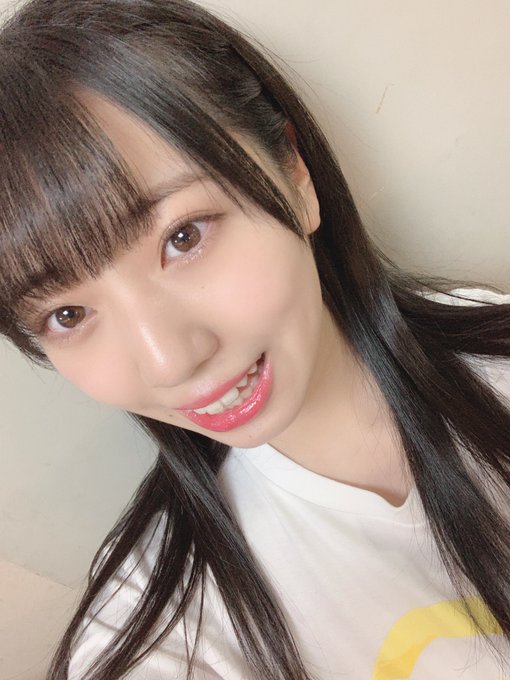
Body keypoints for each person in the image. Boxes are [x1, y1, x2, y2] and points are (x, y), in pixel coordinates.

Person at [0, 0, 509, 678]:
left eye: (183, 237)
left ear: (294, 174)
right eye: (67, 315)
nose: (169, 360)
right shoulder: (174, 634)